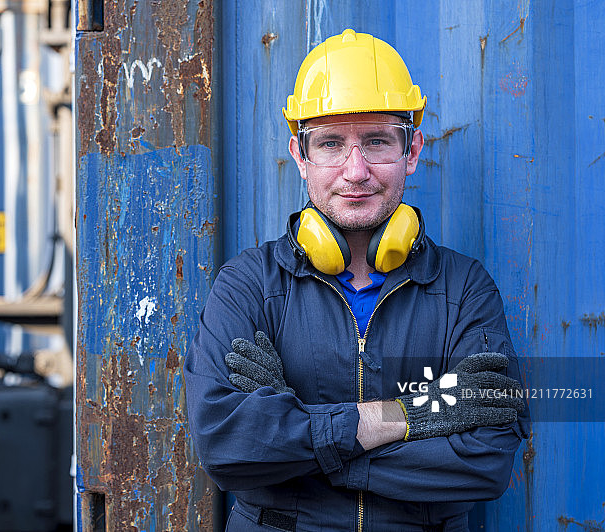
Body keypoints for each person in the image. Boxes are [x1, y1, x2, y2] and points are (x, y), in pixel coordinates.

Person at [183, 28, 529, 531]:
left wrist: (298, 434)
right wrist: (406, 416)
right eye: (330, 144)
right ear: (300, 157)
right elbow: (227, 447)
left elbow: (486, 462)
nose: (356, 170)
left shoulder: (463, 289)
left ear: (411, 152)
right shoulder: (249, 284)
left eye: (375, 142)